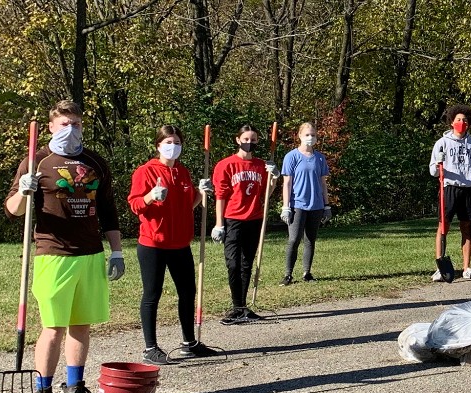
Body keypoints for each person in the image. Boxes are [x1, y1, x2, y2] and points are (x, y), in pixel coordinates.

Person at [4, 100, 124, 393]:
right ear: (51, 127)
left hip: (90, 254)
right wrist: (24, 191)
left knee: (81, 324)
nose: (71, 129)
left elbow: (109, 210)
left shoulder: (95, 162)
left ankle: (75, 389)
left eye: (76, 124)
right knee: (53, 327)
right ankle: (42, 391)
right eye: (64, 124)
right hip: (54, 255)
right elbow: (12, 210)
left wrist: (116, 250)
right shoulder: (36, 161)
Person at [128, 125, 223, 365]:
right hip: (153, 243)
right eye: (168, 142)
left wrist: (201, 193)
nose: (173, 147)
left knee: (188, 292)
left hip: (180, 243)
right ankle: (150, 348)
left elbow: (187, 205)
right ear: (158, 145)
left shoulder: (182, 172)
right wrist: (151, 196)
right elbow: (135, 205)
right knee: (152, 294)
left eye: (177, 142)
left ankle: (189, 343)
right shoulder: (145, 171)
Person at [212, 125, 279, 323]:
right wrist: (219, 224)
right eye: (246, 139)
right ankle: (236, 307)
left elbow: (266, 193)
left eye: (253, 139)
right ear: (238, 140)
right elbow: (220, 196)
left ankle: (242, 307)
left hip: (254, 219)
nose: (249, 143)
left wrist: (274, 178)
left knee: (247, 264)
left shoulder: (261, 165)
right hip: (233, 219)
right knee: (233, 263)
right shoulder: (226, 165)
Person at [429, 104, 471, 281]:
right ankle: (440, 267)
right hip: (449, 189)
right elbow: (433, 171)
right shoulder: (442, 143)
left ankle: (467, 268)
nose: (462, 123)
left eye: (465, 120)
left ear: (468, 123)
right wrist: (438, 163)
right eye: (458, 120)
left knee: (466, 228)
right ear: (451, 122)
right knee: (443, 227)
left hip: (467, 190)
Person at [280, 122, 331, 285]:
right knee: (294, 239)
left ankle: (307, 273)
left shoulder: (320, 158)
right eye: (307, 135)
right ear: (300, 136)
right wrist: (286, 207)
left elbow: (323, 183)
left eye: (313, 135)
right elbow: (287, 183)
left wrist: (327, 205)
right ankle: (288, 274)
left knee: (310, 240)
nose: (310, 137)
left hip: (316, 205)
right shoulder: (291, 156)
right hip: (297, 205)